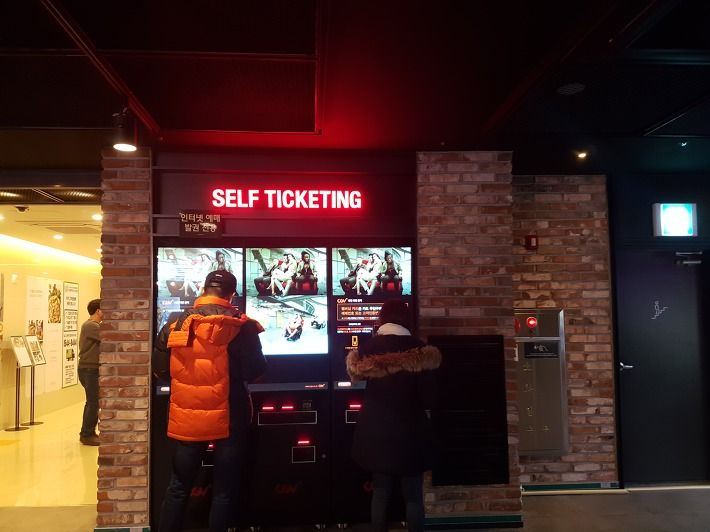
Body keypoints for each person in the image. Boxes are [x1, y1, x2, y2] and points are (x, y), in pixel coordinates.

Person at [153, 270, 267, 532]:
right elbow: (255, 370)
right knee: (224, 490)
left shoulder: (175, 324)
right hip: (231, 415)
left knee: (178, 486)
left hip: (187, 416)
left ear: (203, 290)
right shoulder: (243, 326)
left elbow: (160, 370)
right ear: (232, 295)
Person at [346, 300, 441, 532]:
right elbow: (431, 400)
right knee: (413, 497)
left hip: (375, 434)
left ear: (382, 318)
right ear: (407, 319)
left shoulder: (367, 349)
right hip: (411, 435)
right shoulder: (421, 351)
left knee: (380, 493)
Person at [78, 298, 102, 446]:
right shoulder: (91, 326)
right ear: (98, 311)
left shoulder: (93, 325)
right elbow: (108, 338)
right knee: (93, 402)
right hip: (89, 369)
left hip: (90, 369)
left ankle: (89, 432)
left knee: (93, 402)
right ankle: (87, 434)